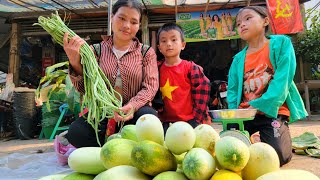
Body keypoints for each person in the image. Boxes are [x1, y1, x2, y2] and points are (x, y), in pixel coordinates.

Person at [61, 0, 159, 148]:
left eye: (133, 22)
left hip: (135, 112)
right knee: (77, 132)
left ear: (139, 25)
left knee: (149, 118)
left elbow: (150, 87)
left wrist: (132, 105)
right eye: (122, 18)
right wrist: (75, 62)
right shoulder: (95, 51)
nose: (127, 26)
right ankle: (110, 150)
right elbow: (84, 88)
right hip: (103, 114)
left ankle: (129, 149)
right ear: (112, 17)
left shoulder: (146, 52)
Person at [227, 6, 308, 166]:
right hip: (246, 114)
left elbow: (283, 80)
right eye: (238, 23)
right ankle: (254, 137)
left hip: (273, 112)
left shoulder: (281, 44)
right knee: (230, 152)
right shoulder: (237, 59)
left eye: (248, 18)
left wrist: (259, 105)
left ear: (265, 21)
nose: (242, 24)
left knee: (278, 157)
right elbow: (232, 90)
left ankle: (262, 137)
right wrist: (235, 114)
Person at [156, 23, 211, 132]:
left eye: (173, 39)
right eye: (163, 41)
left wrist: (196, 120)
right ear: (159, 48)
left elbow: (203, 94)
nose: (168, 44)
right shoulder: (155, 69)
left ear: (183, 45)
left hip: (190, 121)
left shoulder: (192, 68)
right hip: (166, 123)